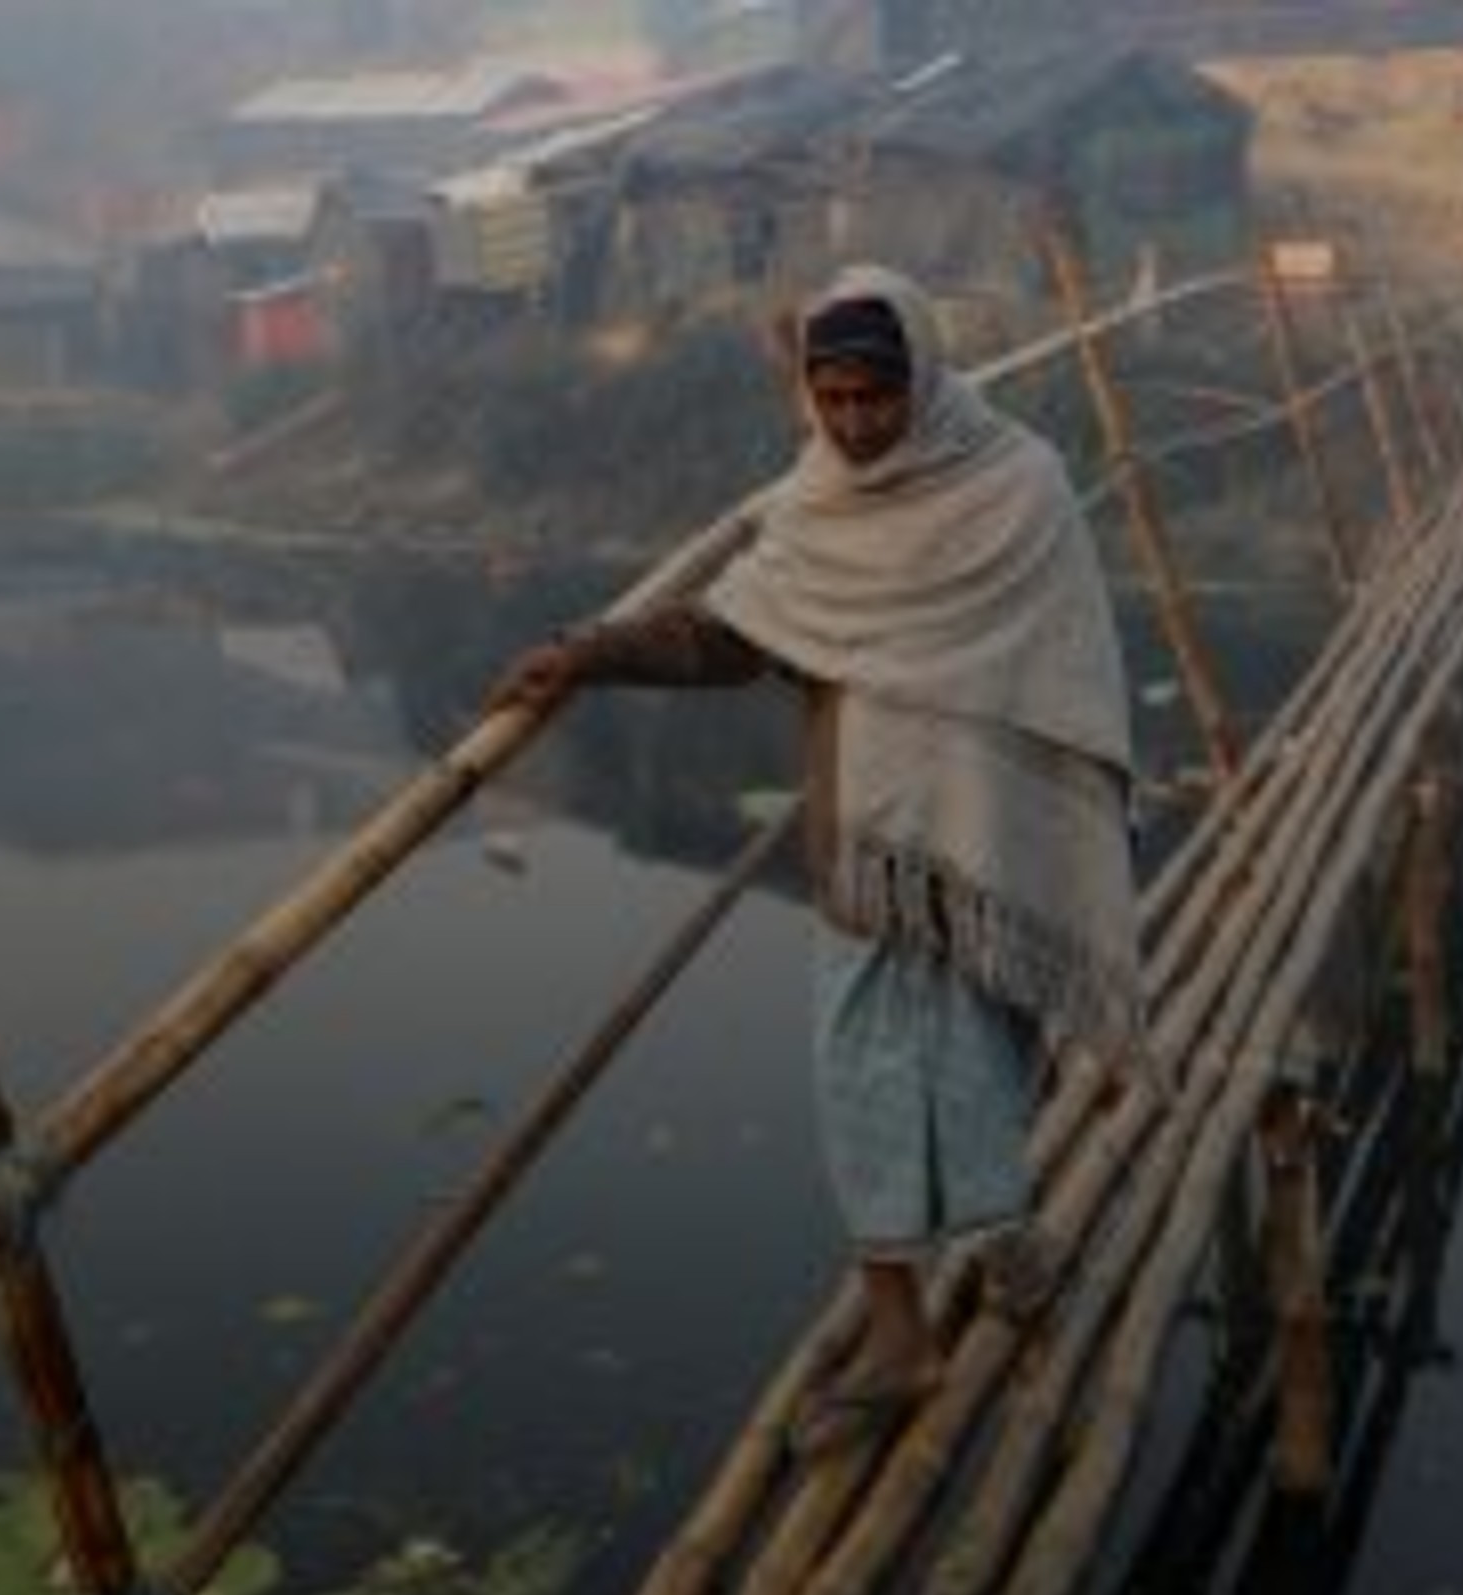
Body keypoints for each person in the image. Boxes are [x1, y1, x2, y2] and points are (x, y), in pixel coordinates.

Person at [489, 265, 1141, 1453]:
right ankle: (901, 1338)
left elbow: (1066, 661)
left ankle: (1002, 1231)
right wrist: (589, 652)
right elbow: (730, 635)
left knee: (987, 1046)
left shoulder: (1020, 486)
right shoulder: (818, 502)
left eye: (873, 400)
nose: (852, 425)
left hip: (983, 838)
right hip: (863, 838)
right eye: (829, 400)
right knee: (862, 1082)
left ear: (923, 380)